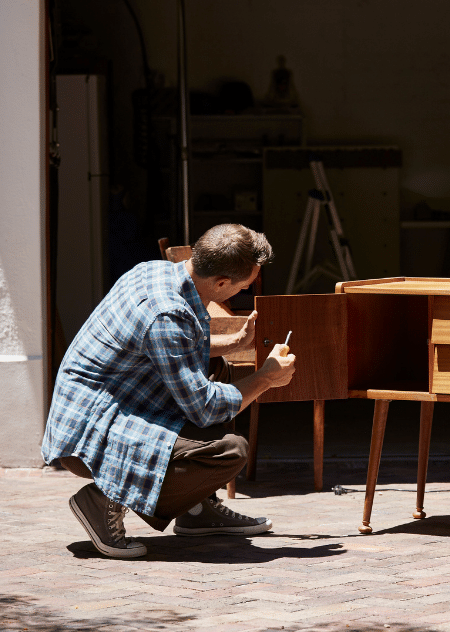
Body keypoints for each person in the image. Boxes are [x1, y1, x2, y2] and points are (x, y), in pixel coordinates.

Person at [42, 224, 297, 558]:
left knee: (217, 373)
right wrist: (266, 378)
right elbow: (204, 407)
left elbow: (174, 347)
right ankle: (102, 500)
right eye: (245, 286)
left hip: (105, 404)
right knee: (229, 451)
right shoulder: (167, 313)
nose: (245, 291)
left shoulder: (155, 271)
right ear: (221, 283)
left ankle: (196, 511)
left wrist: (234, 342)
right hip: (89, 433)